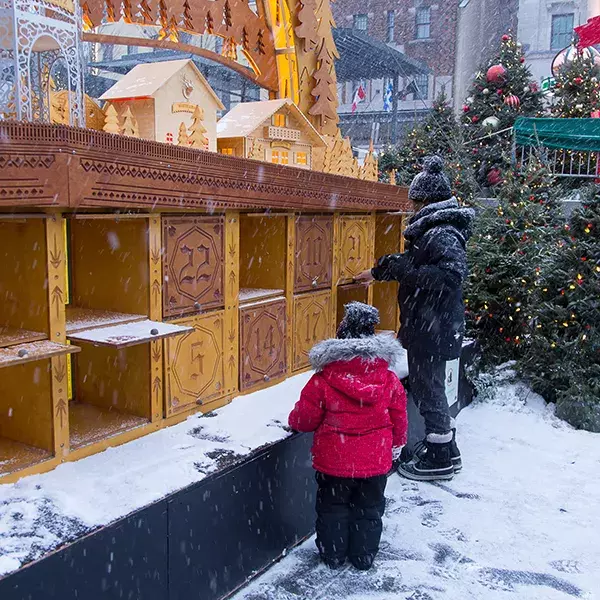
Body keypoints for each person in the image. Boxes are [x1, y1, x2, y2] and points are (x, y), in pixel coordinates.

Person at [356, 155, 475, 482]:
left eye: (412, 200)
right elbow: (413, 262)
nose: (408, 206)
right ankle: (447, 450)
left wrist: (402, 270)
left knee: (427, 387)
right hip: (431, 324)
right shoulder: (435, 230)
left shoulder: (442, 232)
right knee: (429, 385)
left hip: (433, 326)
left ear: (426, 201)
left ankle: (438, 456)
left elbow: (450, 276)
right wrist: (380, 270)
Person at [288, 302, 407, 571]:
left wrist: (293, 420)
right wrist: (397, 444)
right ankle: (364, 556)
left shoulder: (324, 379)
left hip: (335, 461)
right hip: (375, 460)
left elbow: (305, 420)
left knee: (333, 508)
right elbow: (400, 416)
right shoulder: (388, 378)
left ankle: (333, 554)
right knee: (370, 510)